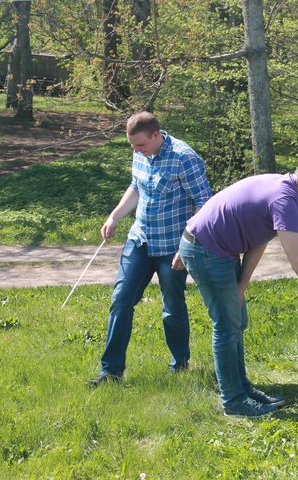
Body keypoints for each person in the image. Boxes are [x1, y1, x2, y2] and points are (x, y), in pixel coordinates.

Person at [178, 155, 298, 418]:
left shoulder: (285, 191)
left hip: (215, 249)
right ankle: (234, 401)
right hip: (207, 249)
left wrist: (241, 287)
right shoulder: (284, 198)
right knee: (227, 326)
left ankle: (242, 389)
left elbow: (258, 239)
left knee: (237, 320)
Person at [86, 111, 212, 385]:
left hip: (172, 246)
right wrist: (114, 217)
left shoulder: (184, 158)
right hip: (140, 239)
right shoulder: (140, 151)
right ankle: (110, 372)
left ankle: (179, 365)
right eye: (133, 146)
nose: (136, 151)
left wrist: (187, 245)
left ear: (156, 135)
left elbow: (204, 204)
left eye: (140, 145)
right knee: (121, 300)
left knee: (172, 306)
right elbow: (136, 186)